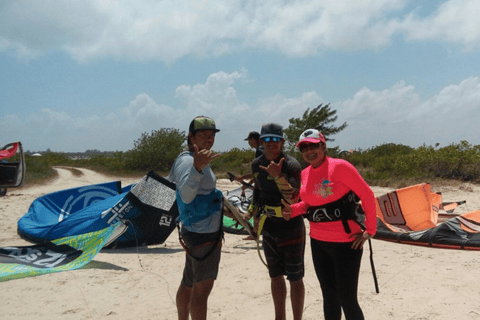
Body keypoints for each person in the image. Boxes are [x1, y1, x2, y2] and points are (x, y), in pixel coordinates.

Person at [281, 129, 377, 320]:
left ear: (323, 146)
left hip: (346, 243)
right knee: (329, 297)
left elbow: (367, 195)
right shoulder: (306, 173)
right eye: (304, 148)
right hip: (318, 243)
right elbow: (310, 204)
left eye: (313, 145)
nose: (309, 151)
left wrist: (370, 230)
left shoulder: (340, 166)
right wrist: (293, 211)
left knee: (347, 300)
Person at [168, 116, 223, 320]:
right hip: (203, 235)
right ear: (191, 136)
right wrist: (197, 168)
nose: (209, 139)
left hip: (197, 232)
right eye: (203, 135)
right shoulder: (189, 161)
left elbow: (205, 196)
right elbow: (186, 195)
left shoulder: (196, 158)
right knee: (202, 292)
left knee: (188, 284)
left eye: (211, 135)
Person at [248, 123, 305, 320]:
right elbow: (258, 191)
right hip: (269, 226)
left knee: (295, 277)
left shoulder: (291, 165)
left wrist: (278, 177)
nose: (271, 144)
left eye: (275, 140)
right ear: (261, 142)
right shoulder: (256, 165)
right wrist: (254, 217)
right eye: (267, 139)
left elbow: (294, 200)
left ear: (282, 142)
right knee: (275, 275)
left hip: (291, 227)